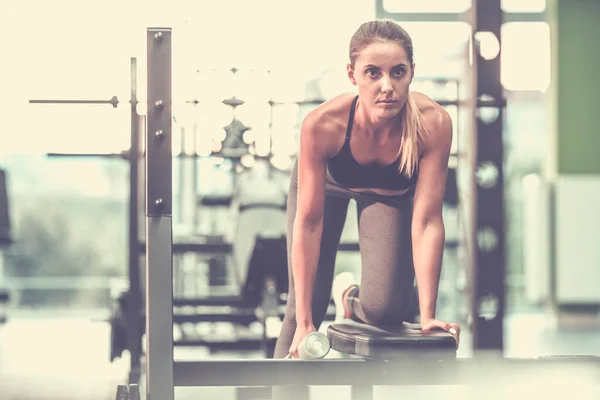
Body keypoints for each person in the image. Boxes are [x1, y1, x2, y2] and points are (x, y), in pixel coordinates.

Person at [273, 19, 461, 360]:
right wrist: (304, 323)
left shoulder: (433, 124)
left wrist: (428, 314)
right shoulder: (322, 125)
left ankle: (347, 297)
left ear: (412, 73)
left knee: (389, 310)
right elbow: (310, 224)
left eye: (398, 72)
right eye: (373, 73)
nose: (386, 86)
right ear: (352, 74)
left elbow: (428, 221)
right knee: (304, 308)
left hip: (386, 197)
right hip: (327, 186)